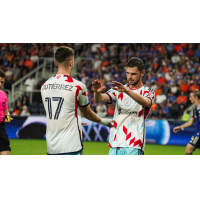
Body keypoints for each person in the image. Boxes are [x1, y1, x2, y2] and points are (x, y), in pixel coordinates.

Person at [41, 46, 115, 155]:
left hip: (51, 147)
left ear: (56, 63)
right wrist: (104, 121)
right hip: (71, 146)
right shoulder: (78, 86)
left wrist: (74, 119)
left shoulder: (44, 86)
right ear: (71, 63)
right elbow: (87, 113)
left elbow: (58, 111)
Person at [92, 57, 155, 155]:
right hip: (115, 141)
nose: (129, 77)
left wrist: (127, 91)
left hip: (134, 142)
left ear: (142, 73)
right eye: (127, 73)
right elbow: (100, 99)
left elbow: (146, 102)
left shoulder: (148, 91)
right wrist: (96, 92)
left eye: (133, 74)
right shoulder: (119, 89)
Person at [173, 89, 200, 155]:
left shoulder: (199, 106)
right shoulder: (195, 108)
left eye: (191, 97)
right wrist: (180, 127)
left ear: (196, 97)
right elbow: (191, 122)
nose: (189, 98)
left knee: (188, 149)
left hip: (199, 133)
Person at [0, 70, 13, 155]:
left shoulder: (3, 94)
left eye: (2, 82)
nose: (0, 84)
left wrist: (7, 118)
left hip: (1, 129)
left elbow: (6, 112)